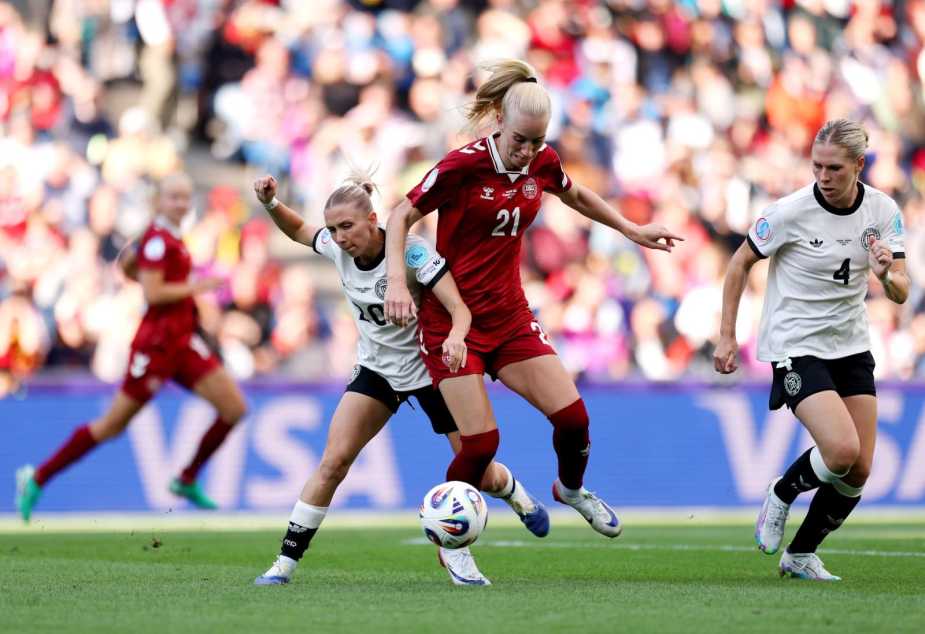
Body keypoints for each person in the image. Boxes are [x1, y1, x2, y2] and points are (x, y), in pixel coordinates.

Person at [383, 60, 681, 540]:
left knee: (574, 420)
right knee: (480, 446)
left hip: (510, 317)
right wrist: (399, 282)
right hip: (453, 323)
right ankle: (451, 544)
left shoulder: (543, 162)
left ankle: (571, 488)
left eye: (537, 141)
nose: (527, 151)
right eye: (520, 139)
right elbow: (400, 215)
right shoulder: (462, 166)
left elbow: (576, 194)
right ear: (499, 120)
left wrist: (630, 229)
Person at [251, 172, 548, 587]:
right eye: (333, 229)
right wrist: (270, 203)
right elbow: (300, 229)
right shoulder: (337, 250)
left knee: (480, 473)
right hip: (377, 372)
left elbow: (459, 309)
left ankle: (512, 490)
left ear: (374, 219)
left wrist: (459, 338)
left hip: (432, 371)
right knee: (333, 463)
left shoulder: (412, 255)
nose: (338, 237)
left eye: (347, 227)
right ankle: (283, 564)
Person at [714, 119, 909, 581]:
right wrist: (726, 335)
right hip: (796, 343)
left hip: (851, 344)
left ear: (859, 166)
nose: (823, 175)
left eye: (835, 168)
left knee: (858, 471)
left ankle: (800, 554)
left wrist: (885, 273)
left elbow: (901, 290)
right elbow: (740, 262)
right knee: (840, 450)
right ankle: (782, 491)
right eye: (817, 165)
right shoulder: (789, 212)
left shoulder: (882, 211)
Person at [15, 172, 248, 519]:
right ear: (159, 201)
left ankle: (185, 477)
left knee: (234, 408)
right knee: (111, 425)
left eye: (185, 198)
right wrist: (197, 287)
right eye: (174, 197)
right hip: (155, 347)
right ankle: (37, 477)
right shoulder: (158, 241)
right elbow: (153, 293)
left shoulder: (167, 238)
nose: (182, 204)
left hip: (182, 342)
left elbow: (128, 266)